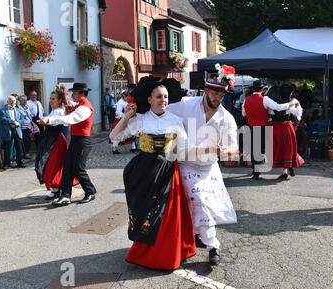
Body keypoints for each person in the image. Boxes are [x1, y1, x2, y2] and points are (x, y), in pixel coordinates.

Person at [110, 77, 196, 271]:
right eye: (159, 97)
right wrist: (126, 117)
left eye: (165, 97)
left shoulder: (175, 121)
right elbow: (114, 137)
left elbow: (184, 149)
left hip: (167, 173)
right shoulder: (140, 120)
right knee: (144, 213)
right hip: (143, 173)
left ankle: (167, 255)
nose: (163, 100)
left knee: (166, 216)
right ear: (149, 99)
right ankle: (145, 253)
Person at [167, 64, 239, 266]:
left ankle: (203, 238)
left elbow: (234, 147)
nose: (217, 98)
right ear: (206, 90)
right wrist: (137, 112)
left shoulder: (227, 119)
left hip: (209, 167)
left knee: (207, 203)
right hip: (187, 163)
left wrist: (225, 151)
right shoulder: (186, 104)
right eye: (214, 93)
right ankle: (212, 245)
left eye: (221, 95)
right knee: (197, 199)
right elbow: (163, 110)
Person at [38, 83, 97, 207]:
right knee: (68, 166)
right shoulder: (79, 105)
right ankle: (65, 196)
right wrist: (63, 92)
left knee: (78, 168)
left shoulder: (85, 108)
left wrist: (50, 120)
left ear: (81, 93)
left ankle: (90, 191)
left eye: (75, 92)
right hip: (76, 140)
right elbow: (68, 103)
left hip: (83, 141)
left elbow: (70, 118)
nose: (73, 94)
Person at [242, 80, 298, 180]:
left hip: (250, 127)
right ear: (262, 89)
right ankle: (286, 166)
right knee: (269, 149)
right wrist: (291, 103)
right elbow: (278, 107)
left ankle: (256, 172)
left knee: (254, 150)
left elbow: (244, 114)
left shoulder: (246, 100)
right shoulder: (264, 99)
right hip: (263, 127)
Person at [35, 85, 79, 200]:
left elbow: (55, 123)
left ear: (60, 100)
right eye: (50, 98)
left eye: (53, 98)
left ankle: (57, 188)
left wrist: (43, 122)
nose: (51, 101)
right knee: (50, 164)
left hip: (56, 142)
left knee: (53, 165)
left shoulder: (59, 111)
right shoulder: (54, 111)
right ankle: (55, 188)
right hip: (50, 140)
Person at [269, 97, 305, 180]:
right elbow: (298, 113)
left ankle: (284, 173)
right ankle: (288, 167)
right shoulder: (289, 106)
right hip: (286, 127)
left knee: (279, 148)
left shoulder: (271, 107)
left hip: (276, 127)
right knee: (288, 147)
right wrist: (298, 103)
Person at [0, 95, 26, 168]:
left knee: (18, 146)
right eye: (11, 101)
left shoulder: (18, 109)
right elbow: (3, 119)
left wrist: (17, 123)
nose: (12, 103)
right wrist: (12, 122)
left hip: (17, 129)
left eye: (14, 101)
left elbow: (22, 118)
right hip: (8, 130)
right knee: (7, 147)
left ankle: (19, 162)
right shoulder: (3, 110)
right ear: (8, 101)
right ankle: (7, 164)